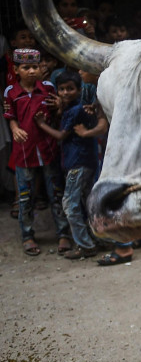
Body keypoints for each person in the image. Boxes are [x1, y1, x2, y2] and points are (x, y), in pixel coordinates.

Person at [33, 69, 108, 259]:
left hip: (77, 163)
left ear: (79, 89)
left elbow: (60, 136)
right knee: (87, 202)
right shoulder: (81, 108)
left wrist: (41, 124)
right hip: (87, 161)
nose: (65, 92)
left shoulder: (75, 110)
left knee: (70, 204)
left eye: (70, 89)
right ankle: (97, 238)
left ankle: (85, 244)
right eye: (62, 89)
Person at [4, 49, 71, 256]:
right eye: (26, 68)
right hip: (25, 152)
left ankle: (63, 234)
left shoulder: (48, 88)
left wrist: (60, 106)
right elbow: (10, 116)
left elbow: (58, 113)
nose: (31, 71)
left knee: (56, 194)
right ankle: (28, 236)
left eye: (35, 67)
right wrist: (15, 129)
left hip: (48, 148)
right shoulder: (11, 92)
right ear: (16, 69)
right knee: (25, 197)